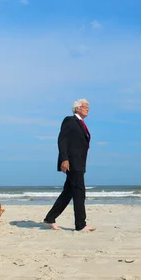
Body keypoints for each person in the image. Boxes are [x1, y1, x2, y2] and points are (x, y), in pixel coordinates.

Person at [43, 98, 96, 232]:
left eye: (88, 107)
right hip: (72, 163)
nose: (88, 109)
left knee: (68, 193)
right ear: (77, 108)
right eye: (85, 106)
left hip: (80, 162)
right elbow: (62, 140)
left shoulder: (81, 123)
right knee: (79, 192)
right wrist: (64, 159)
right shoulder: (70, 121)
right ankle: (80, 225)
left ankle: (50, 219)